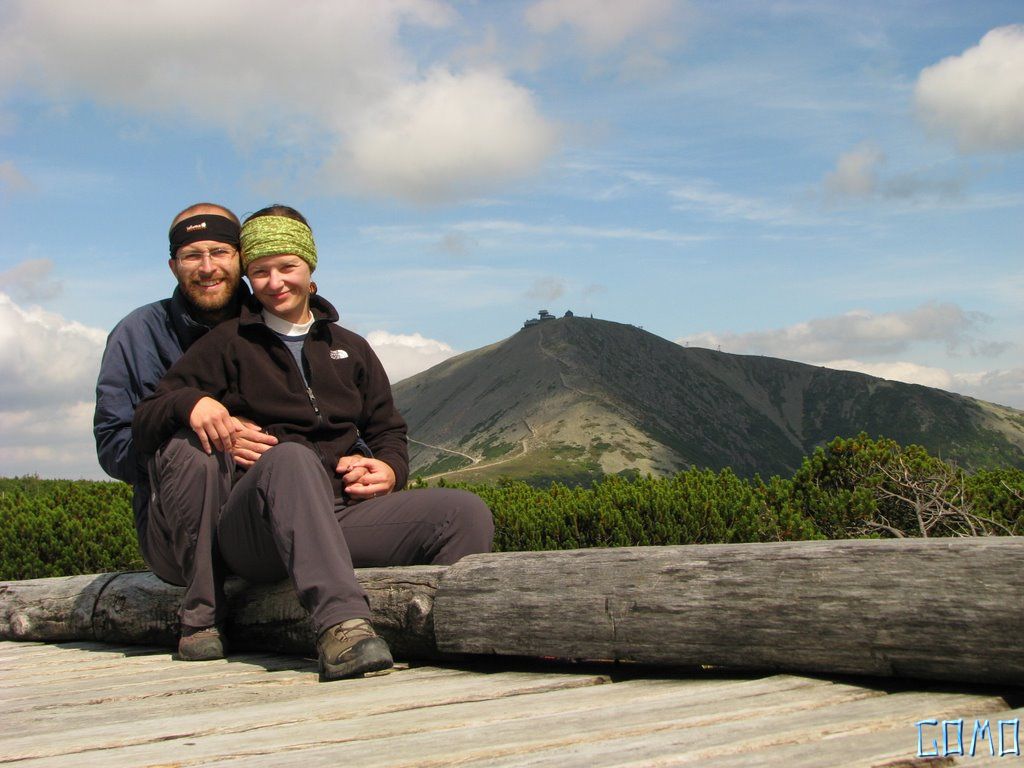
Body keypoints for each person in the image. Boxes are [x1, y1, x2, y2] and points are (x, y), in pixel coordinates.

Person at [132, 204, 494, 681]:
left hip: (338, 513)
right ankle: (341, 629)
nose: (275, 282)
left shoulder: (352, 347)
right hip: (253, 530)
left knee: (463, 512)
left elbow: (387, 429)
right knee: (291, 459)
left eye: (287, 267)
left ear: (310, 267)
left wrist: (390, 468)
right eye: (260, 271)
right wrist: (191, 403)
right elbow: (148, 414)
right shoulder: (226, 344)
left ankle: (448, 633)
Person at [94, 203, 278, 654]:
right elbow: (113, 445)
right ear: (173, 265)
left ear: (241, 257)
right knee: (192, 447)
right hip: (173, 536)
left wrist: (370, 459)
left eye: (220, 252)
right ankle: (201, 621)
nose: (208, 267)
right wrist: (207, 433)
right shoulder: (137, 334)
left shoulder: (277, 322)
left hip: (267, 522)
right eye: (193, 255)